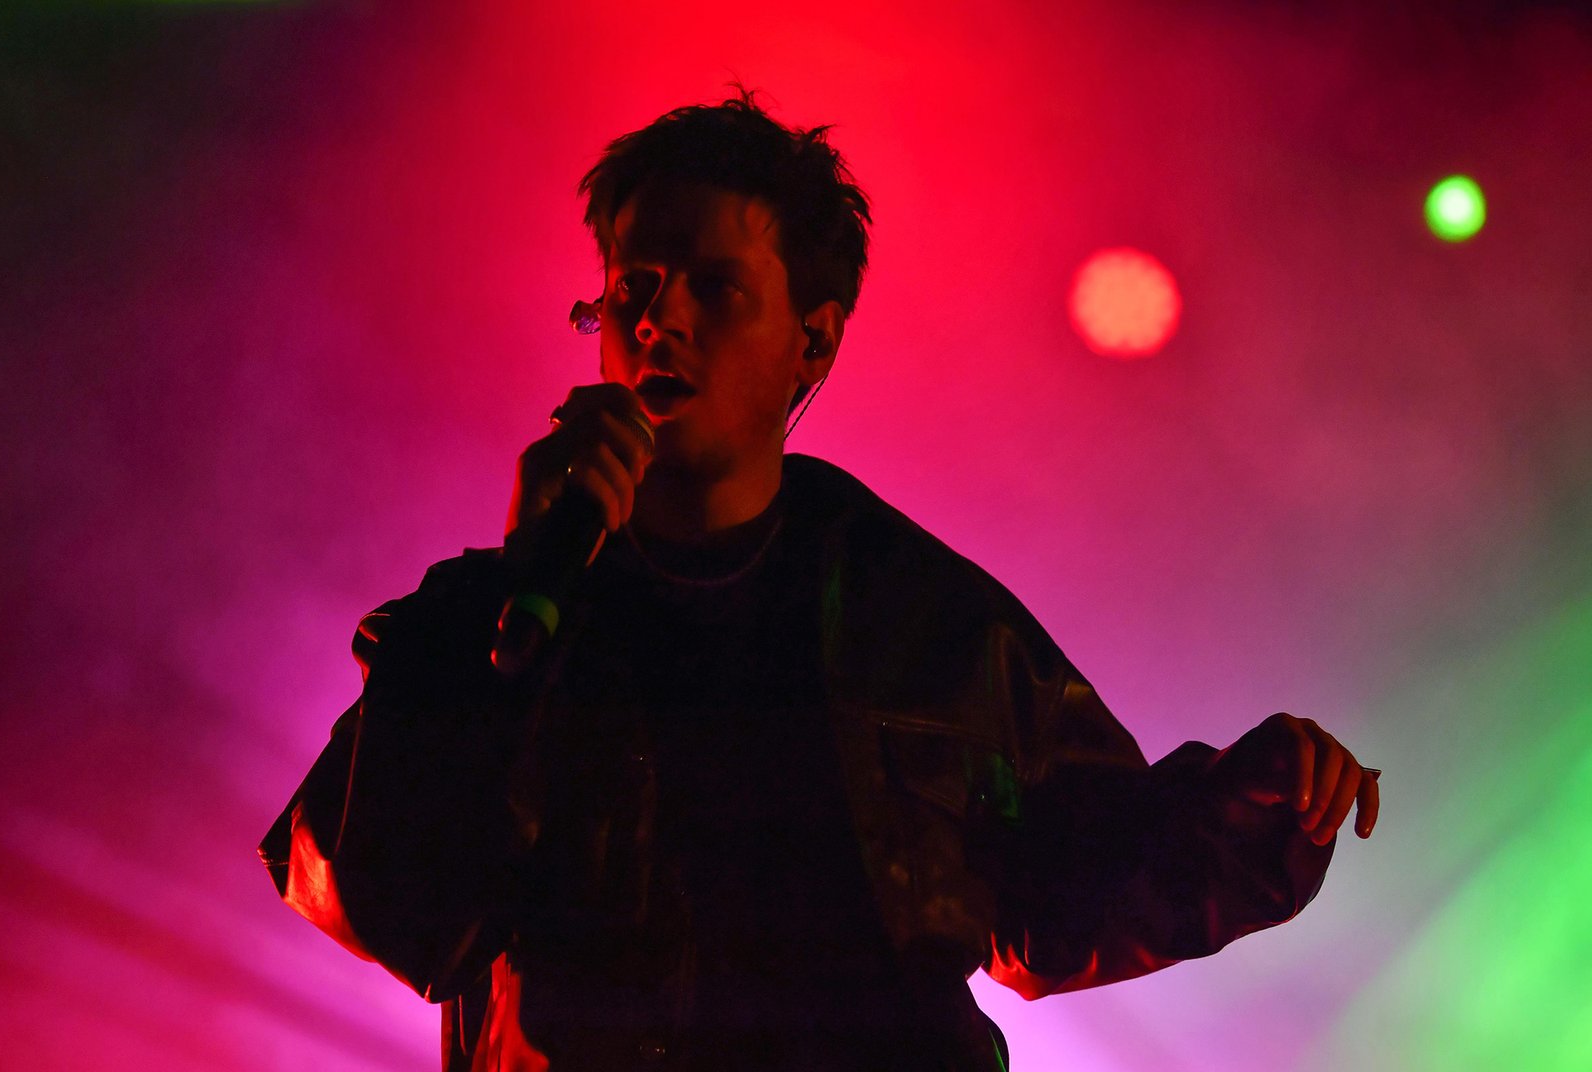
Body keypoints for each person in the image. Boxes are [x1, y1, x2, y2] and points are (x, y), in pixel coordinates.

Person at [260, 92, 1379, 1071]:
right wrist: (508, 602)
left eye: (714, 287)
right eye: (633, 285)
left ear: (814, 340)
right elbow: (385, 903)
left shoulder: (932, 624)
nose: (657, 319)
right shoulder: (489, 616)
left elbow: (1071, 888)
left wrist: (1245, 813)